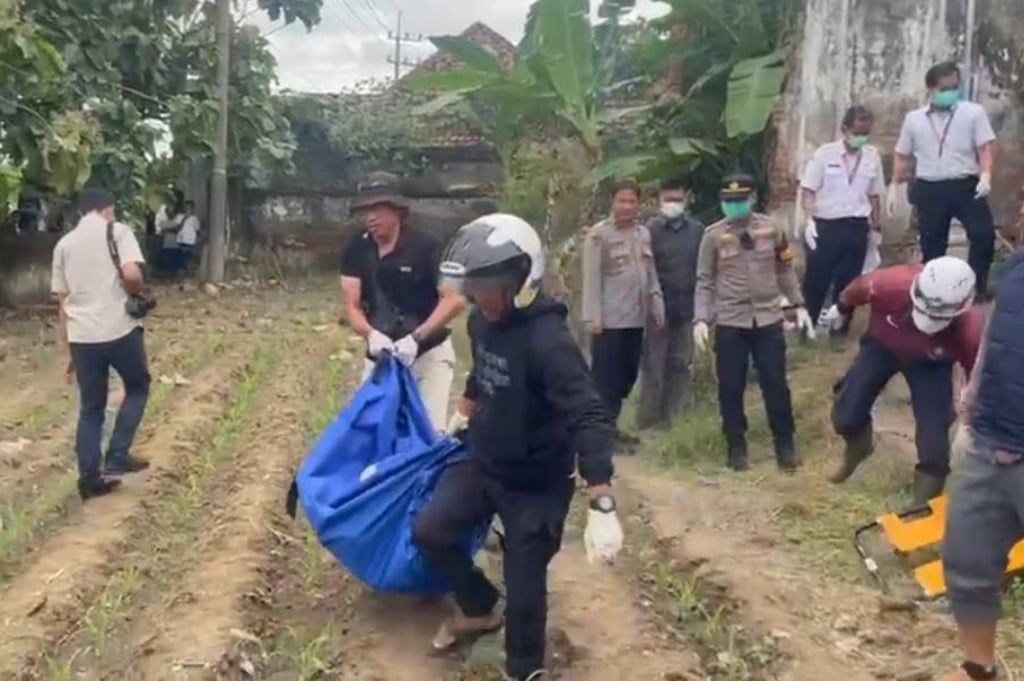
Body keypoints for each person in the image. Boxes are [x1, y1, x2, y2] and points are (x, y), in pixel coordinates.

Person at [412, 213, 622, 681]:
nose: (481, 299)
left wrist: (602, 499)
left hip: (537, 482)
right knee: (430, 530)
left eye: (490, 288)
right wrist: (463, 413)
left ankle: (524, 671)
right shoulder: (482, 323)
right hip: (485, 461)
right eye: (475, 289)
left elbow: (588, 413)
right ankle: (480, 605)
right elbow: (482, 371)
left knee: (525, 587)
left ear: (522, 281)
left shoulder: (550, 344)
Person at [824, 256, 984, 503]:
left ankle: (921, 505)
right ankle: (858, 449)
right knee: (846, 412)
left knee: (934, 443)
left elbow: (977, 376)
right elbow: (854, 290)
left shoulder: (970, 328)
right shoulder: (889, 284)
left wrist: (969, 417)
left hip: (931, 366)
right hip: (882, 346)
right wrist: (841, 309)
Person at [693, 174, 814, 472]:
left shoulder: (772, 230)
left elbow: (784, 269)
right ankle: (736, 448)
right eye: (728, 201)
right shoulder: (712, 236)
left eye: (739, 201)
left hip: (768, 319)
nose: (733, 206)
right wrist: (701, 318)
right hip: (731, 321)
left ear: (752, 199)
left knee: (775, 384)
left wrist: (798, 304)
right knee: (731, 388)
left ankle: (785, 446)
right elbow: (705, 281)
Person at [941, 253, 1024, 681]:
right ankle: (980, 670)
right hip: (992, 438)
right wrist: (971, 408)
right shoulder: (1015, 269)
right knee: (966, 561)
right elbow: (994, 337)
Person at [339, 171, 464, 432]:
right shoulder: (357, 249)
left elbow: (453, 300)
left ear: (397, 210)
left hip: (428, 354)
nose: (371, 218)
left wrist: (417, 338)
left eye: (378, 209)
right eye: (366, 210)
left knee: (427, 433)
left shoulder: (427, 246)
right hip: (382, 356)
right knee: (372, 433)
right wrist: (370, 334)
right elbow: (351, 305)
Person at [51, 188, 151, 501]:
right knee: (138, 386)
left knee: (91, 409)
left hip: (83, 338)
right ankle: (118, 457)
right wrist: (133, 290)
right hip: (119, 329)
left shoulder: (64, 245)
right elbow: (133, 274)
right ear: (107, 209)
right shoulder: (117, 231)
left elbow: (62, 301)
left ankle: (89, 479)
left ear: (82, 212)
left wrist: (67, 347)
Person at [888, 61, 997, 299]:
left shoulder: (973, 113)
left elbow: (985, 147)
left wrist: (986, 174)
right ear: (930, 89)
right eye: (945, 88)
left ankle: (976, 286)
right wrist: (894, 186)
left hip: (965, 183)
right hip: (930, 186)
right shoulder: (914, 119)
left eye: (954, 87)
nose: (950, 93)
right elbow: (902, 154)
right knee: (932, 243)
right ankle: (934, 292)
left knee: (983, 234)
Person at [582, 179, 665, 440]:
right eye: (622, 201)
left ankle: (611, 424)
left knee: (628, 375)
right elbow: (591, 277)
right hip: (609, 320)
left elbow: (650, 274)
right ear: (613, 202)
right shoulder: (599, 235)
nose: (627, 206)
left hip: (636, 318)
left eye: (631, 201)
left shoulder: (643, 234)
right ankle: (600, 431)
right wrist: (593, 317)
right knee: (606, 379)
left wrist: (657, 304)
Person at [800, 105, 886, 335]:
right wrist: (808, 220)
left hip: (857, 225)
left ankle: (840, 329)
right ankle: (807, 325)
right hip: (826, 225)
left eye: (865, 133)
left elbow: (874, 194)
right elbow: (808, 190)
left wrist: (877, 226)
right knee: (816, 280)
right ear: (844, 129)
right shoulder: (824, 154)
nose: (861, 138)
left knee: (849, 282)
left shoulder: (871, 156)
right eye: (857, 132)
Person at [636, 176, 703, 429]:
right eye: (668, 199)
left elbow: (702, 269)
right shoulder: (649, 231)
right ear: (658, 201)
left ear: (685, 199)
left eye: (677, 199)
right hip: (656, 309)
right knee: (654, 364)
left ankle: (674, 419)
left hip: (686, 307)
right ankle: (647, 421)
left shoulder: (697, 231)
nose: (673, 203)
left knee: (681, 363)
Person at [176, 201, 201, 275]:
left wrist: (197, 239)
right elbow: (178, 227)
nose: (188, 209)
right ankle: (187, 270)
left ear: (192, 209)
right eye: (186, 207)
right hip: (181, 239)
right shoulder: (180, 217)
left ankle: (191, 269)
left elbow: (197, 230)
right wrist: (184, 218)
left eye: (189, 208)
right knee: (183, 255)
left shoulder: (195, 218)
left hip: (190, 240)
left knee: (189, 255)